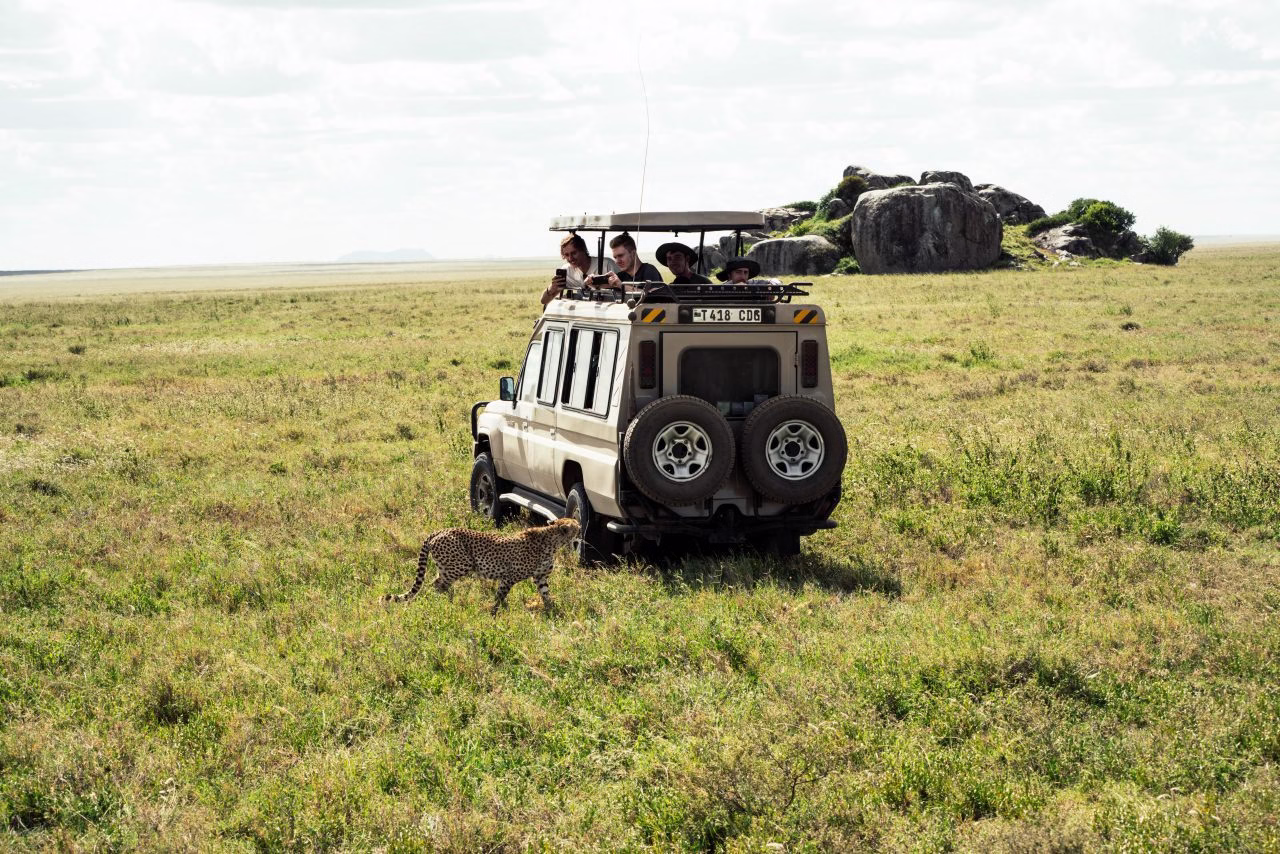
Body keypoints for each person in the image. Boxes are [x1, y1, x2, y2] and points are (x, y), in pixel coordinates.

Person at [541, 234, 618, 306]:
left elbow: (623, 291)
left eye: (574, 253)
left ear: (583, 250)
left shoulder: (607, 264)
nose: (570, 258)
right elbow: (544, 301)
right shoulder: (567, 271)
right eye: (567, 255)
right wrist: (551, 289)